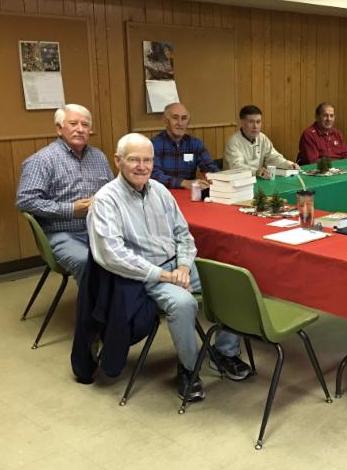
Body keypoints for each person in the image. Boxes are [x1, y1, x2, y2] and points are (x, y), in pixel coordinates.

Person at [87, 133, 252, 402]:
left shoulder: (160, 191)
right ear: (118, 161)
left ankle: (224, 352)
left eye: (148, 160)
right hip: (145, 274)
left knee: (233, 284)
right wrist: (164, 275)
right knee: (184, 304)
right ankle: (188, 369)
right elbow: (112, 254)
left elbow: (183, 234)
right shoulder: (106, 200)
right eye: (134, 160)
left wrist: (184, 267)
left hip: (178, 267)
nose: (142, 166)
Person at [16, 104, 113, 285]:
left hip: (100, 228)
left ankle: (124, 300)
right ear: (59, 129)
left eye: (85, 125)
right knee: (86, 262)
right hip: (63, 233)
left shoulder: (99, 157)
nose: (80, 129)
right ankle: (97, 303)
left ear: (90, 130)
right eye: (73, 124)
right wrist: (71, 209)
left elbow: (112, 191)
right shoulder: (42, 160)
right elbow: (26, 201)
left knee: (138, 250)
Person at [151, 102, 219, 189]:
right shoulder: (154, 144)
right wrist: (183, 183)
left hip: (189, 194)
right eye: (175, 118)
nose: (180, 123)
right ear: (166, 121)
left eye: (184, 118)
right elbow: (154, 175)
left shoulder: (195, 144)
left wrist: (213, 178)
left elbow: (210, 167)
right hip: (163, 193)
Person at [224, 105, 299, 179]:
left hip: (258, 178)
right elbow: (236, 166)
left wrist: (288, 164)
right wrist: (256, 172)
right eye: (251, 122)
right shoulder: (233, 142)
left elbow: (273, 157)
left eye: (258, 122)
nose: (255, 126)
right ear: (242, 123)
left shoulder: (262, 138)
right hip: (236, 182)